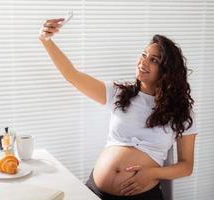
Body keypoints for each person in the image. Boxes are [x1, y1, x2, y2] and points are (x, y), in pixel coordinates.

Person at [39, 18, 198, 200]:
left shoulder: (181, 113)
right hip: (95, 191)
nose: (143, 62)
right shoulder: (119, 94)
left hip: (142, 195)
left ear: (166, 71)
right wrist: (46, 40)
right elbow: (72, 75)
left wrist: (152, 173)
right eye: (144, 54)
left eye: (153, 60)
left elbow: (186, 166)